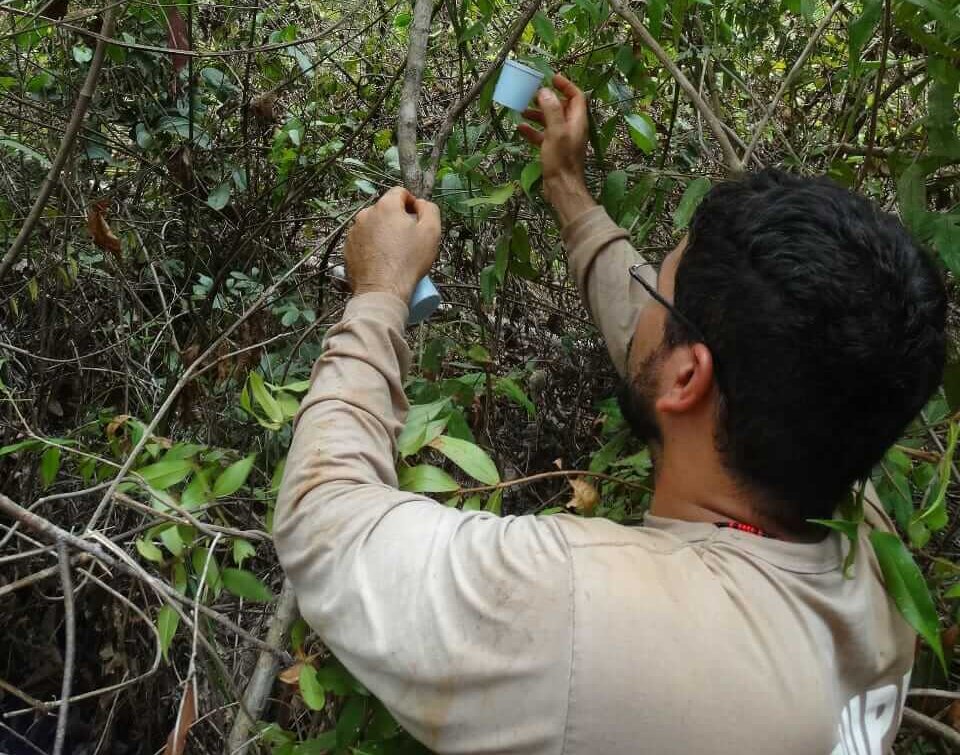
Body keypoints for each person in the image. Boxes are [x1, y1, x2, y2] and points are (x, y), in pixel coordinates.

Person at [273, 74, 946, 754]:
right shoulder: (868, 542)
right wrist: (569, 191)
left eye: (662, 284)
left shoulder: (590, 618)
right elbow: (657, 344)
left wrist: (380, 292)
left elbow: (325, 524)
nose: (645, 295)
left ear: (688, 378)